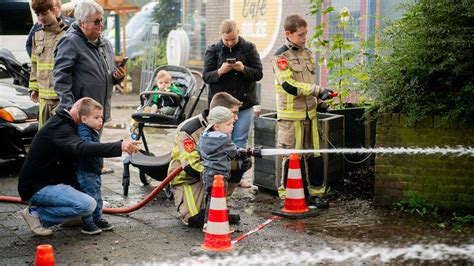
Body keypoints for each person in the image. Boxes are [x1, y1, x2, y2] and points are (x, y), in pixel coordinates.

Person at [17, 97, 141, 236]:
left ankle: (70, 216)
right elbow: (81, 147)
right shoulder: (60, 127)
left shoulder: (69, 123)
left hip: (53, 181)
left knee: (90, 203)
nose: (100, 120)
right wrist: (119, 146)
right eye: (94, 117)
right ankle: (37, 215)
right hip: (37, 187)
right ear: (79, 113)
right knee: (88, 205)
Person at [272, 14, 335, 208]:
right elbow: (289, 85)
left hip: (310, 113)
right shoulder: (280, 57)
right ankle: (290, 193)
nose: (304, 37)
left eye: (306, 34)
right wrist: (318, 91)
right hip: (291, 117)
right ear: (288, 34)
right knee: (292, 156)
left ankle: (317, 194)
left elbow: (308, 84)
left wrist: (319, 101)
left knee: (315, 155)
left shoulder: (307, 53)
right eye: (300, 34)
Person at [168, 92, 246, 228]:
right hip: (188, 178)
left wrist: (239, 160)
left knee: (241, 163)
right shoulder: (189, 129)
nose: (237, 117)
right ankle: (201, 202)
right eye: (234, 112)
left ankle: (219, 203)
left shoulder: (224, 124)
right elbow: (191, 167)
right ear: (220, 112)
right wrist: (217, 173)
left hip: (210, 174)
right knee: (193, 219)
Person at [202, 19, 263, 188]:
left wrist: (243, 68)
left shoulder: (249, 48)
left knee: (240, 140)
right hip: (220, 104)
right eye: (226, 40)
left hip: (244, 103)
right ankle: (219, 174)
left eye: (233, 39)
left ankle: (237, 176)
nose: (229, 43)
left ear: (238, 33)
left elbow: (258, 74)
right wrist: (220, 71)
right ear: (221, 36)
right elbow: (206, 76)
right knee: (219, 139)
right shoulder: (213, 50)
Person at [53, 1, 125, 126]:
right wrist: (71, 109)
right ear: (82, 23)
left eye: (102, 21)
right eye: (96, 21)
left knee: (95, 144)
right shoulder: (70, 42)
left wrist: (117, 77)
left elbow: (107, 75)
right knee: (84, 145)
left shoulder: (105, 44)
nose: (101, 25)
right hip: (81, 116)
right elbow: (60, 78)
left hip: (98, 113)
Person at [199, 106, 261, 231]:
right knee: (219, 200)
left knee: (210, 199)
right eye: (228, 124)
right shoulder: (223, 139)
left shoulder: (205, 136)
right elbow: (233, 152)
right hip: (220, 175)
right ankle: (217, 226)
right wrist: (249, 152)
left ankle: (208, 223)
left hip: (208, 173)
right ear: (216, 126)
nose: (232, 126)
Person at [28, 0, 69, 128]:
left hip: (61, 99)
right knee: (44, 138)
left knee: (61, 139)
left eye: (44, 13)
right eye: (38, 14)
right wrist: (33, 88)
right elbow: (34, 63)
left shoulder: (68, 35)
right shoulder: (37, 35)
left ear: (53, 10)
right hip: (44, 100)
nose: (41, 18)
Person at [75, 99, 114, 235]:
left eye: (101, 117)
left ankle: (97, 218)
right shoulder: (83, 130)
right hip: (86, 172)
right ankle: (88, 222)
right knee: (90, 197)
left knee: (97, 196)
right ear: (84, 118)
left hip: (93, 171)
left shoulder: (91, 130)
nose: (100, 120)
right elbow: (87, 146)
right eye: (96, 117)